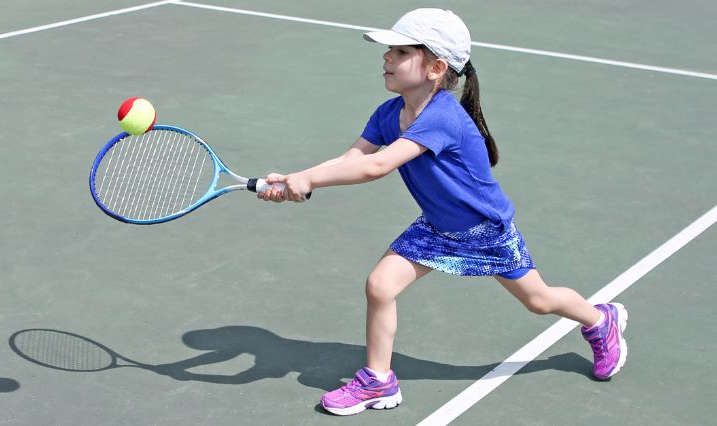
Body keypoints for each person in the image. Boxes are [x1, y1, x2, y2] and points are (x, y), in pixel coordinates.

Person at [257, 8, 628, 416]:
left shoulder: (442, 117)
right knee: (380, 285)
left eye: (399, 52)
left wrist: (308, 181)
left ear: (435, 67)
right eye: (388, 52)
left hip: (484, 230)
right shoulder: (387, 113)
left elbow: (377, 166)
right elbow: (351, 157)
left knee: (539, 301)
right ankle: (378, 381)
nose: (386, 59)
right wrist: (297, 177)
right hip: (436, 227)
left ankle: (598, 319)